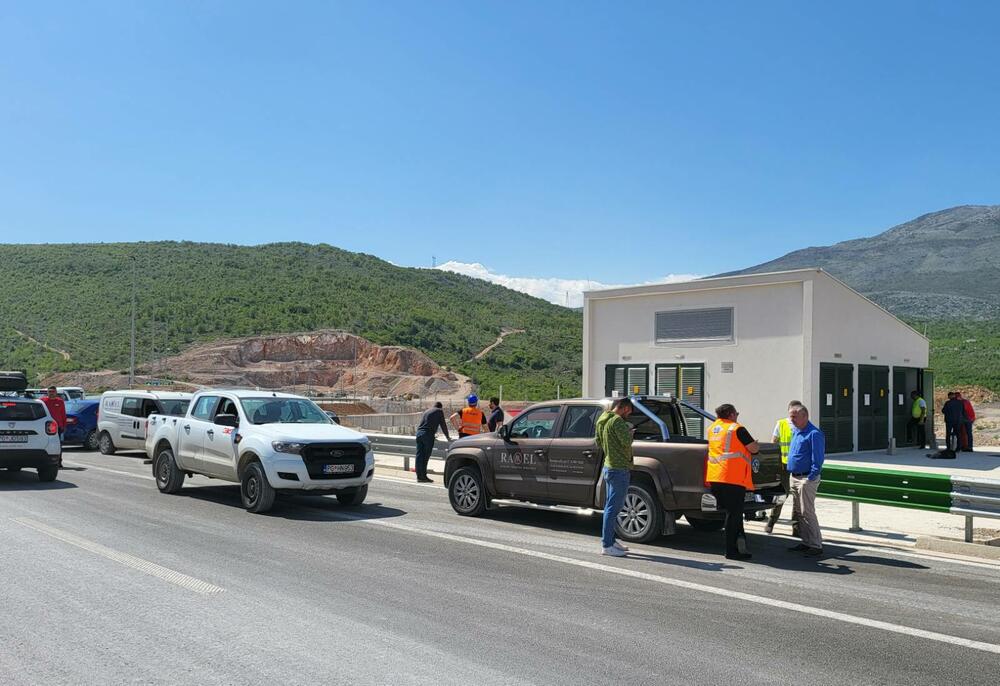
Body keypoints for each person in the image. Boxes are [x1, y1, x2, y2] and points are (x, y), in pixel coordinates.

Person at [705, 404, 758, 561]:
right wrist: (756, 444)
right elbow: (753, 448)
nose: (737, 416)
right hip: (732, 478)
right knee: (734, 514)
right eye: (737, 413)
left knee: (731, 513)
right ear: (731, 414)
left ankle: (738, 544)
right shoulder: (736, 428)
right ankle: (731, 551)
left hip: (715, 477)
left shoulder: (712, 428)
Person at [595, 397, 634, 557]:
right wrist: (630, 433)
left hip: (609, 466)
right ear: (624, 408)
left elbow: (598, 442)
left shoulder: (604, 420)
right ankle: (607, 544)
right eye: (629, 411)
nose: (630, 414)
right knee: (613, 508)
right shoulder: (617, 421)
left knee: (611, 506)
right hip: (619, 469)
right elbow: (626, 442)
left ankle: (611, 540)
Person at [786, 403, 825, 557]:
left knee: (807, 511)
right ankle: (806, 541)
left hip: (806, 477)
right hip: (794, 476)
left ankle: (816, 544)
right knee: (799, 512)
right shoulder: (796, 431)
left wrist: (810, 477)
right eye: (791, 416)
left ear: (805, 416)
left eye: (794, 416)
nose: (791, 419)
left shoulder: (814, 433)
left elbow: (818, 458)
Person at [765, 401, 802, 536]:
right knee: (782, 494)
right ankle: (772, 521)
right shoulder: (781, 424)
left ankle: (796, 528)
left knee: (797, 498)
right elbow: (774, 442)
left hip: (798, 465)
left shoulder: (803, 426)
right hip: (784, 465)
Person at [414, 401, 451, 482]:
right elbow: (443, 425)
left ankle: (419, 476)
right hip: (427, 435)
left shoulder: (427, 411)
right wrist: (447, 436)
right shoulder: (439, 411)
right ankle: (423, 476)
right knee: (425, 457)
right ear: (440, 407)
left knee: (419, 456)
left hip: (419, 434)